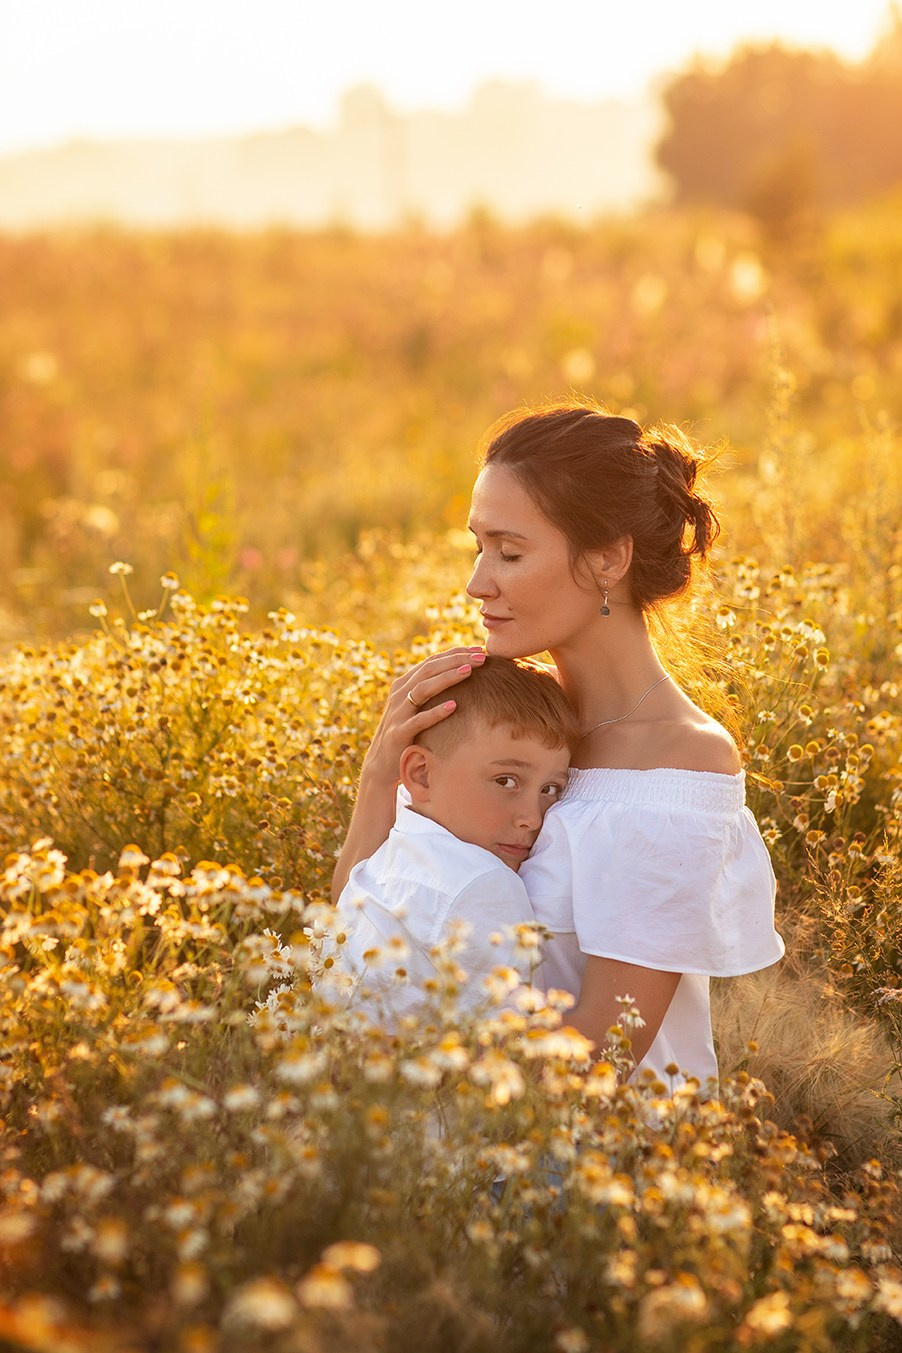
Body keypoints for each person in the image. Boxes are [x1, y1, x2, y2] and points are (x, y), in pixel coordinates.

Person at [333, 401, 784, 1087]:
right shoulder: (513, 722)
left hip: (597, 1167)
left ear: (608, 558)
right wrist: (379, 777)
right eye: (477, 548)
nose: (476, 583)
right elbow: (360, 924)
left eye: (509, 552)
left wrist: (404, 1106)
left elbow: (602, 1060)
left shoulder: (680, 763)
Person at [329, 655, 580, 1025]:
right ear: (421, 774)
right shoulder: (485, 883)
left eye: (551, 789)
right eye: (506, 781)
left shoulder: (402, 834)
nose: (532, 817)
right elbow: (516, 1046)